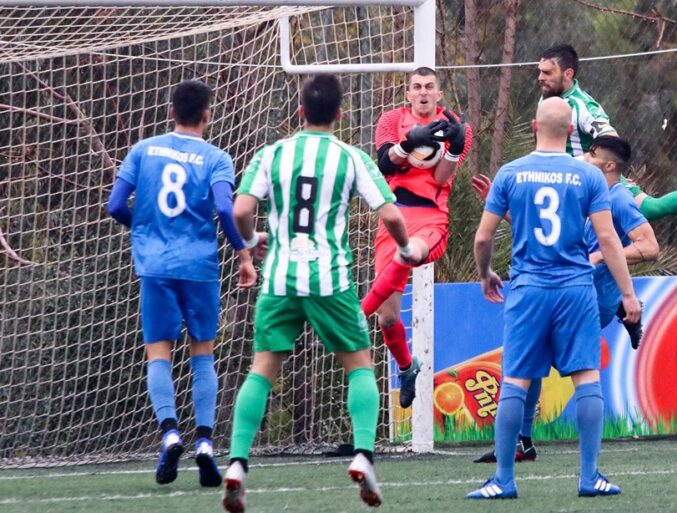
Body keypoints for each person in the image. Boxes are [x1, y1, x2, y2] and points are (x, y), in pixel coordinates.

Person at [221, 75, 418, 512]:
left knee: (262, 369)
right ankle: (363, 455)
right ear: (340, 115)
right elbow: (391, 215)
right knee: (359, 365)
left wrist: (251, 241)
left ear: (300, 112)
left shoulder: (272, 154)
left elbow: (240, 209)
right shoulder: (351, 157)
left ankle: (236, 463)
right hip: (329, 278)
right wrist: (406, 249)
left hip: (279, 278)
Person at [466, 97, 641, 500]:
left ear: (534, 127)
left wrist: (485, 273)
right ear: (570, 131)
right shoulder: (589, 176)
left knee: (515, 379)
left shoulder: (511, 173)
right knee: (586, 377)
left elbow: (483, 237)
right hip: (576, 289)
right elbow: (608, 238)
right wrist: (628, 294)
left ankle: (504, 480)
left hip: (528, 289)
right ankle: (589, 477)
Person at [106, 80, 258, 487]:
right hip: (199, 266)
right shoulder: (217, 158)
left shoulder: (143, 150)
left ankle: (171, 434)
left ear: (171, 111)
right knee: (202, 353)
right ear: (208, 114)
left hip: (155, 265)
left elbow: (115, 205)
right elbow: (225, 208)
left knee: (158, 352)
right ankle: (205, 443)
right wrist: (243, 253)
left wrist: (144, 228)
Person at [361, 66, 473, 408]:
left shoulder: (457, 126)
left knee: (408, 253)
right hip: (394, 216)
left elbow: (441, 178)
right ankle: (408, 367)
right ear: (408, 93)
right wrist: (410, 141)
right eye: (417, 86)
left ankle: (355, 316)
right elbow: (385, 164)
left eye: (429, 86)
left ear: (439, 94)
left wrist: (453, 148)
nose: (423, 92)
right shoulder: (391, 119)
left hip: (430, 218)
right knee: (388, 317)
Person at [537, 43, 677, 221]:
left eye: (547, 72)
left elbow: (611, 139)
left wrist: (607, 171)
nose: (540, 77)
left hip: (589, 179)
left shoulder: (583, 106)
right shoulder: (546, 99)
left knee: (651, 208)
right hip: (561, 180)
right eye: (540, 71)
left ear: (568, 74)